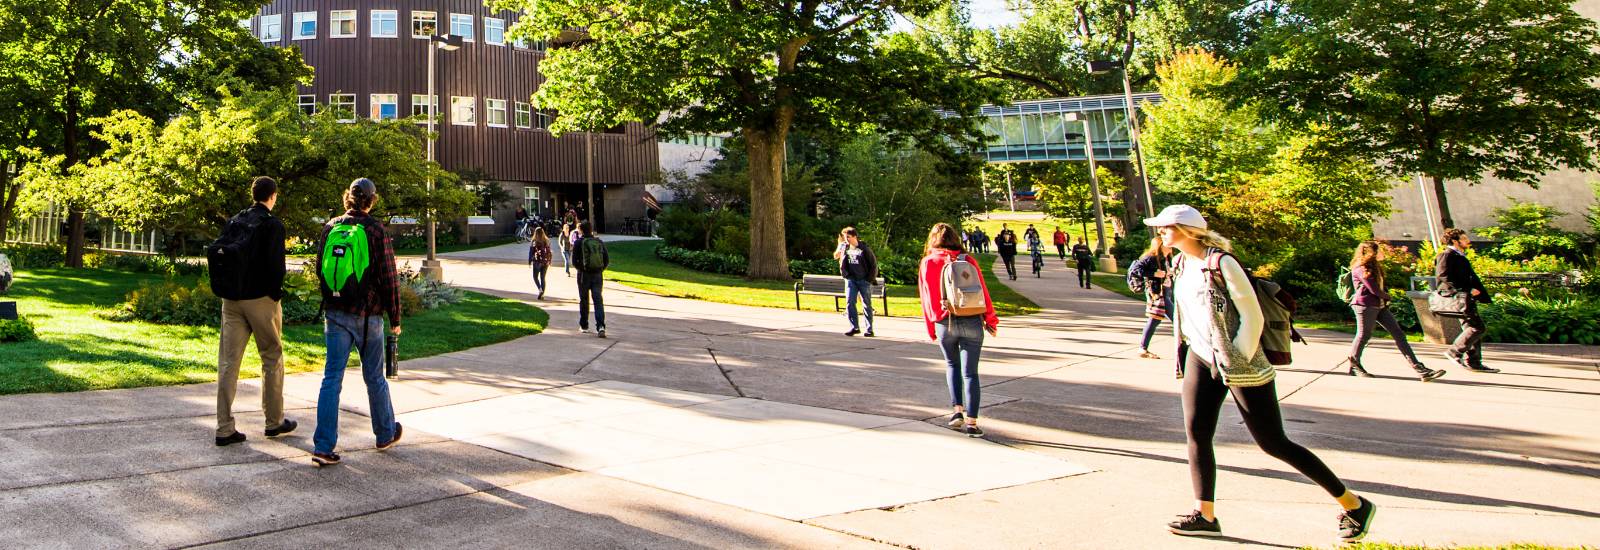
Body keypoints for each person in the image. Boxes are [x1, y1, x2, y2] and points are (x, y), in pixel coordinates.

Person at [1148, 204, 1375, 541]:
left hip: (1241, 362)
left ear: (1185, 230)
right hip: (1201, 356)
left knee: (1273, 442)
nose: (1160, 233)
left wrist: (1235, 357)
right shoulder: (1180, 263)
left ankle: (1354, 504)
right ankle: (1205, 514)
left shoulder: (1221, 262)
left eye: (1165, 227)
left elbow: (1251, 315)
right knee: (1197, 434)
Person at [310, 178, 403, 467]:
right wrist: (395, 317)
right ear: (371, 201)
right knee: (374, 376)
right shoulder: (375, 230)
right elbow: (389, 278)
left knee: (331, 377)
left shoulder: (331, 226)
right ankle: (385, 432)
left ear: (348, 198)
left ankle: (323, 446)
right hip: (368, 316)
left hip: (336, 313)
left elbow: (319, 269)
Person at [214, 176, 295, 447]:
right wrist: (275, 295)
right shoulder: (272, 225)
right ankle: (274, 421)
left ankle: (224, 427)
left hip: (231, 300)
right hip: (261, 299)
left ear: (253, 194)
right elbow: (276, 267)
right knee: (271, 357)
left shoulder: (236, 220)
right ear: (272, 196)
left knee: (228, 363)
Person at [917, 223, 1000, 438]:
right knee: (971, 373)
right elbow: (983, 291)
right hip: (972, 319)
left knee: (952, 365)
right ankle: (972, 423)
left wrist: (931, 327)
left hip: (945, 321)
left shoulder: (928, 263)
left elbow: (926, 299)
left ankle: (957, 412)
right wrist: (990, 319)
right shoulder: (967, 260)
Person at [1348, 241, 1443, 381]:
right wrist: (1388, 296)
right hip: (1365, 306)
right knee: (1363, 335)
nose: (1383, 253)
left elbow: (1379, 287)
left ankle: (1419, 368)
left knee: (1399, 334)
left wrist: (1385, 297)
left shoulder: (1375, 267)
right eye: (1380, 251)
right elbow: (1373, 289)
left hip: (1380, 306)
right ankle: (1354, 365)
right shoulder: (1361, 268)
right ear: (1372, 253)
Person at [1435, 228, 1498, 373]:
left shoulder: (1459, 255)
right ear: (1455, 241)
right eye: (1464, 238)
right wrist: (1467, 289)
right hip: (1459, 297)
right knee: (1477, 327)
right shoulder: (1446, 255)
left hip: (1467, 298)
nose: (1467, 240)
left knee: (1470, 328)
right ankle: (1454, 351)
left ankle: (1474, 362)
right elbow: (1443, 277)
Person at [1128, 236, 1172, 360]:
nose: (1171, 245)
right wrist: (1154, 274)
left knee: (1154, 320)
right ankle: (1191, 346)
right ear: (1160, 244)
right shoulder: (1151, 257)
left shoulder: (1166, 258)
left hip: (1166, 291)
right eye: (1167, 243)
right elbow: (1135, 270)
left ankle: (1142, 348)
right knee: (1177, 319)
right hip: (1158, 293)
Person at [833, 227, 879, 337]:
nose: (846, 239)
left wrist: (869, 279)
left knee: (866, 304)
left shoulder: (864, 248)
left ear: (854, 236)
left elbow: (873, 265)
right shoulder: (845, 248)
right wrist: (846, 274)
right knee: (850, 303)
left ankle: (869, 329)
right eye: (845, 237)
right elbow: (839, 259)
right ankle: (854, 327)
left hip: (864, 280)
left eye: (848, 237)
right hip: (851, 280)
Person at [572, 221, 610, 338]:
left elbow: (574, 261)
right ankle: (601, 326)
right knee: (598, 300)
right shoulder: (599, 242)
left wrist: (581, 268)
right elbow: (606, 259)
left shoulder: (579, 242)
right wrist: (599, 269)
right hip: (597, 274)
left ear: (581, 230)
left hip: (584, 275)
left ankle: (584, 325)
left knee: (584, 300)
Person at [528, 227, 553, 300]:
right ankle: (542, 294)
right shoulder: (546, 240)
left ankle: (540, 289)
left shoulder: (534, 241)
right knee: (543, 278)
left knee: (535, 277)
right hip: (545, 261)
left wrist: (529, 261)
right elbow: (549, 251)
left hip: (537, 261)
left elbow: (531, 252)